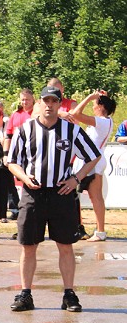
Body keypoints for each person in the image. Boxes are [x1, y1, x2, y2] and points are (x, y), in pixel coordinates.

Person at [6, 86, 101, 312]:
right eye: (46, 100)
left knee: (66, 245)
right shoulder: (24, 130)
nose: (49, 105)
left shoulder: (72, 130)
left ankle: (69, 294)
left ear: (60, 104)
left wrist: (75, 179)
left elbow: (93, 156)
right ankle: (25, 294)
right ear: (39, 103)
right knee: (28, 245)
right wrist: (24, 178)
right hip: (33, 194)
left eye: (54, 101)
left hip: (61, 194)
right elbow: (11, 161)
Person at [69, 90, 116, 241]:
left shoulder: (102, 121)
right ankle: (92, 230)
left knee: (96, 198)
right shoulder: (104, 121)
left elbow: (76, 114)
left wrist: (89, 97)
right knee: (92, 197)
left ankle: (101, 232)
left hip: (93, 162)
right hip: (92, 161)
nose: (93, 106)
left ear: (101, 106)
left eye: (95, 104)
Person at [3, 89, 35, 220]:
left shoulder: (36, 113)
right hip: (18, 155)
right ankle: (24, 216)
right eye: (22, 99)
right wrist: (6, 154)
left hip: (32, 155)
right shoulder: (16, 115)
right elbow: (8, 135)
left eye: (27, 99)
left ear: (33, 99)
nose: (24, 102)